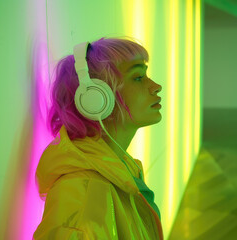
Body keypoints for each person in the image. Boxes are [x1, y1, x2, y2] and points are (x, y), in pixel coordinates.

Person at [33, 36, 164, 239]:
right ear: (95, 98)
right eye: (138, 77)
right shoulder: (82, 201)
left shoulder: (120, 167)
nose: (156, 86)